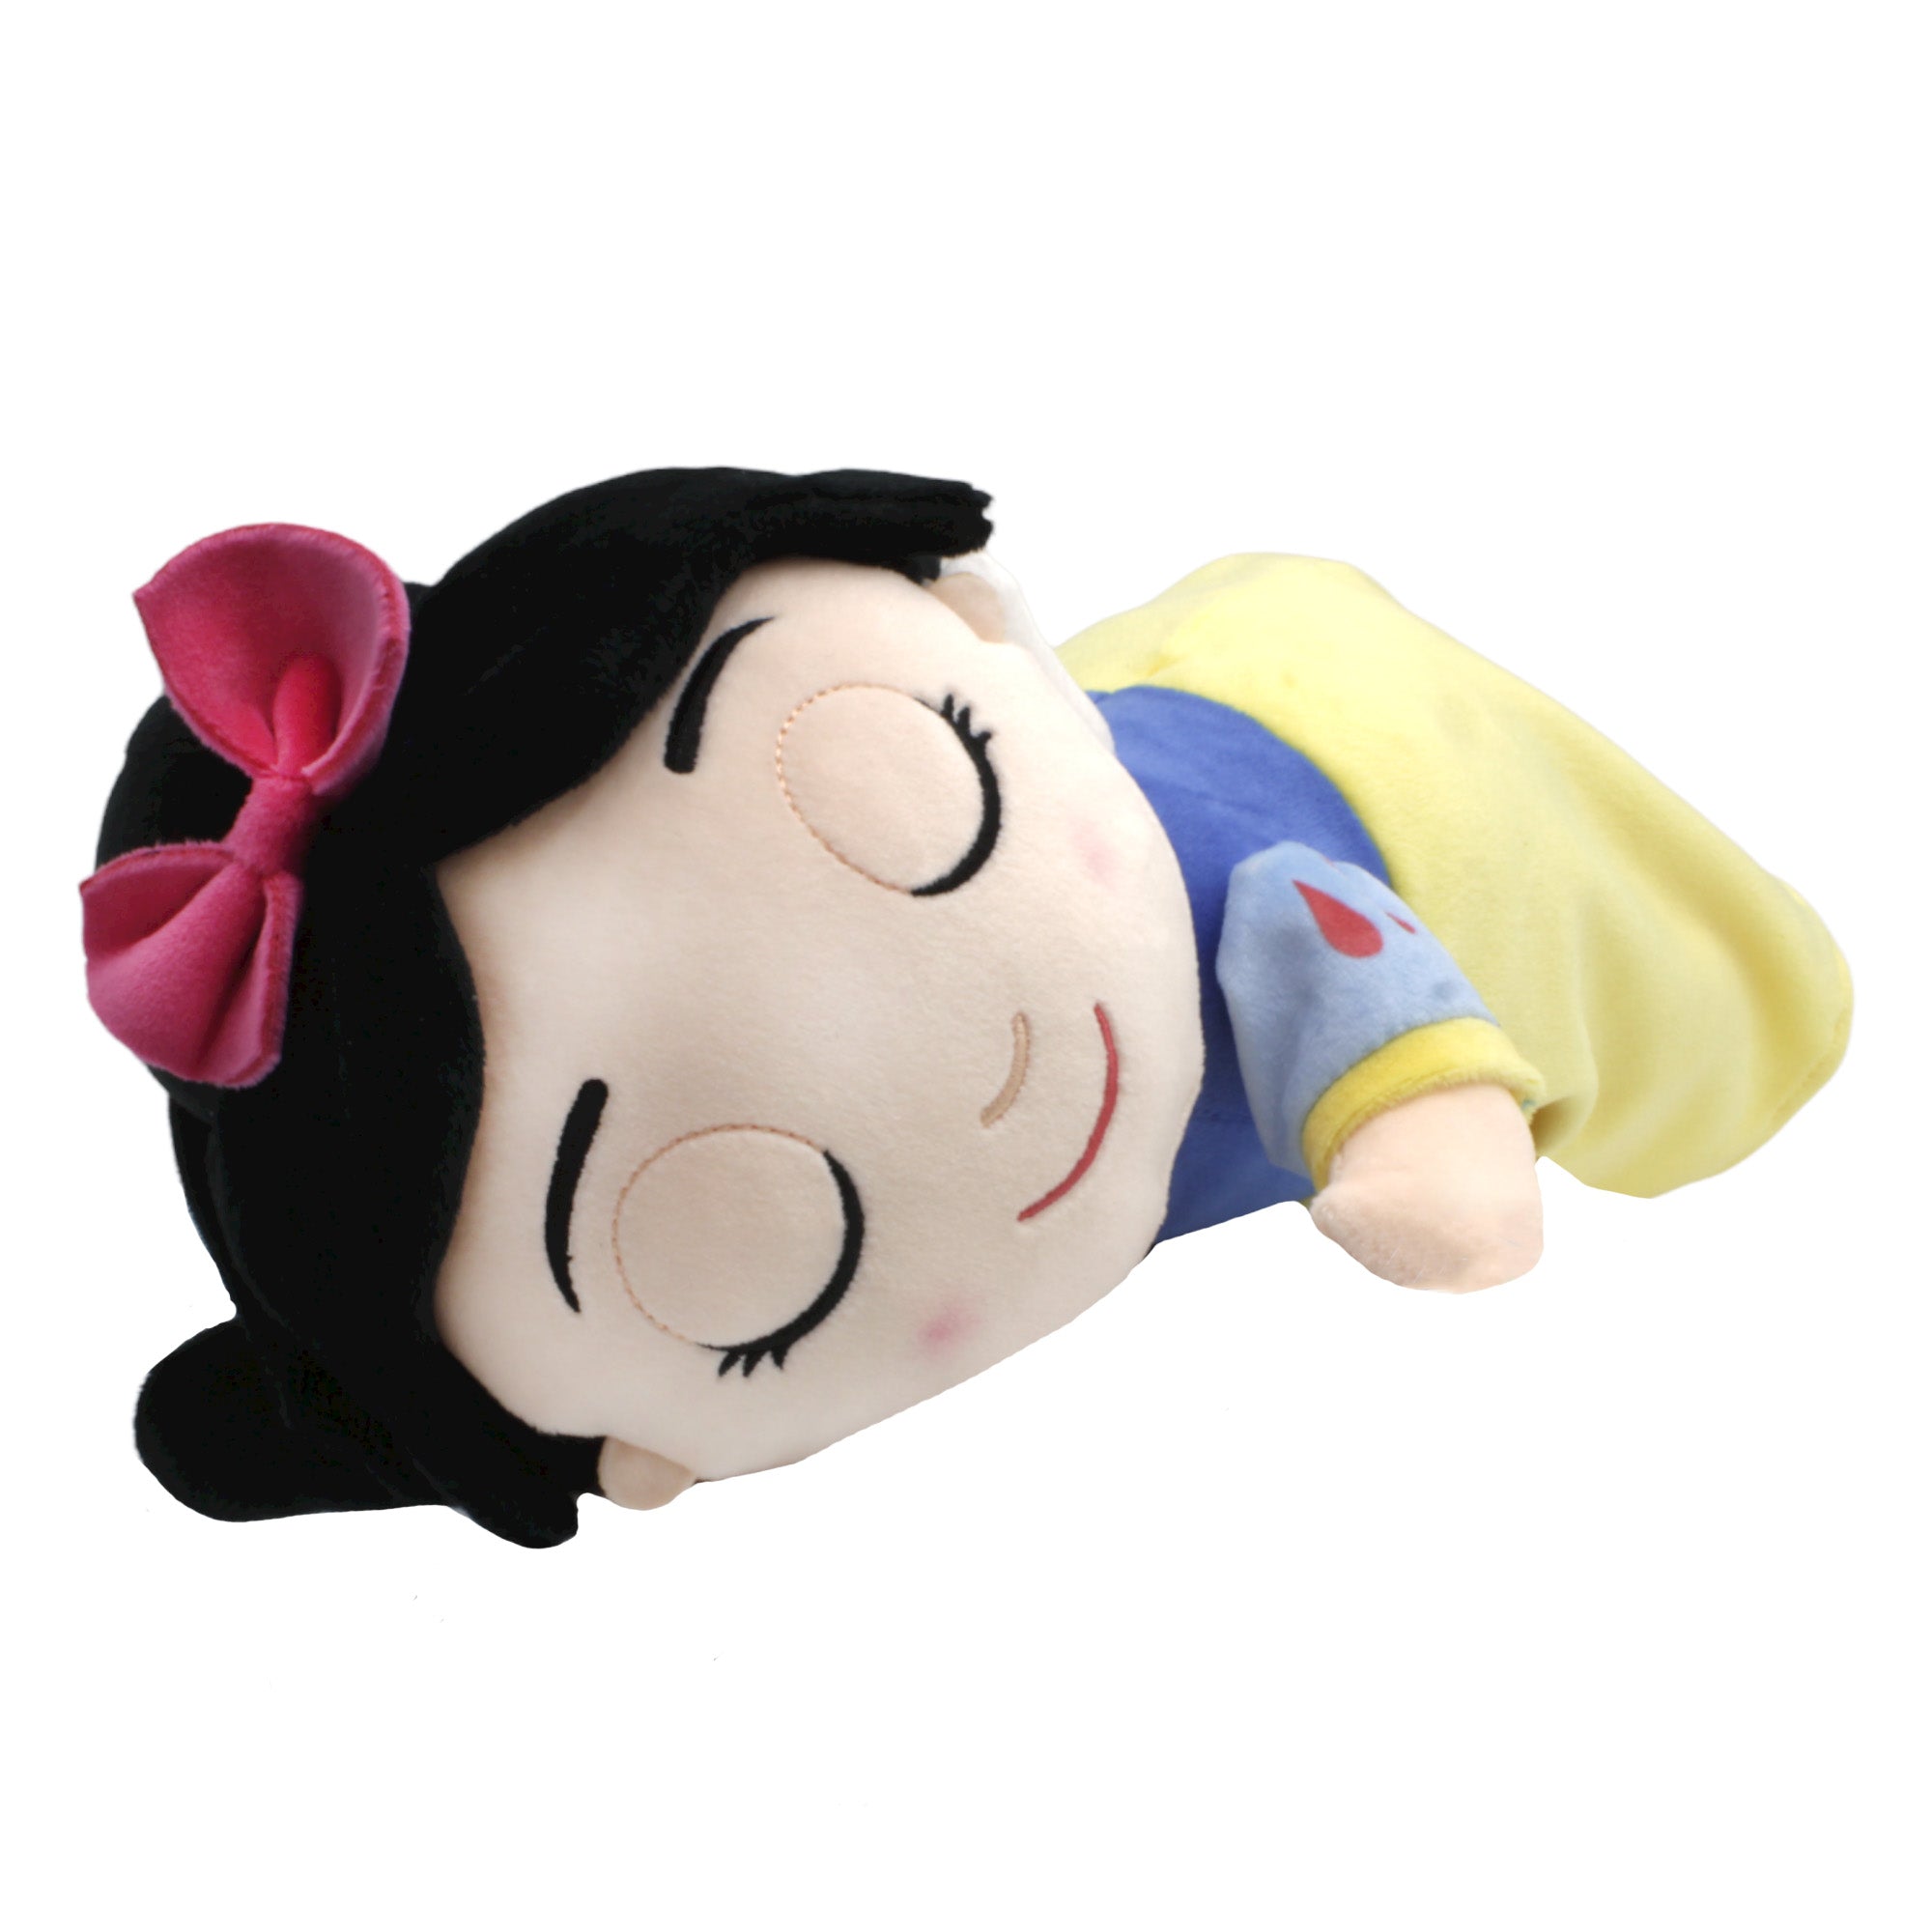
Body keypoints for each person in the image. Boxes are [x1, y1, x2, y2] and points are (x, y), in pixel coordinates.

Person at [82, 470, 1849, 1546]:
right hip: (1163, 690)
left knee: (1708, 1002)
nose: (1004, 1076)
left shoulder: (1237, 904)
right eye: (772, 1255)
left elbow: (1326, 938)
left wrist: (1415, 1117)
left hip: (1378, 761)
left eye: (924, 792)